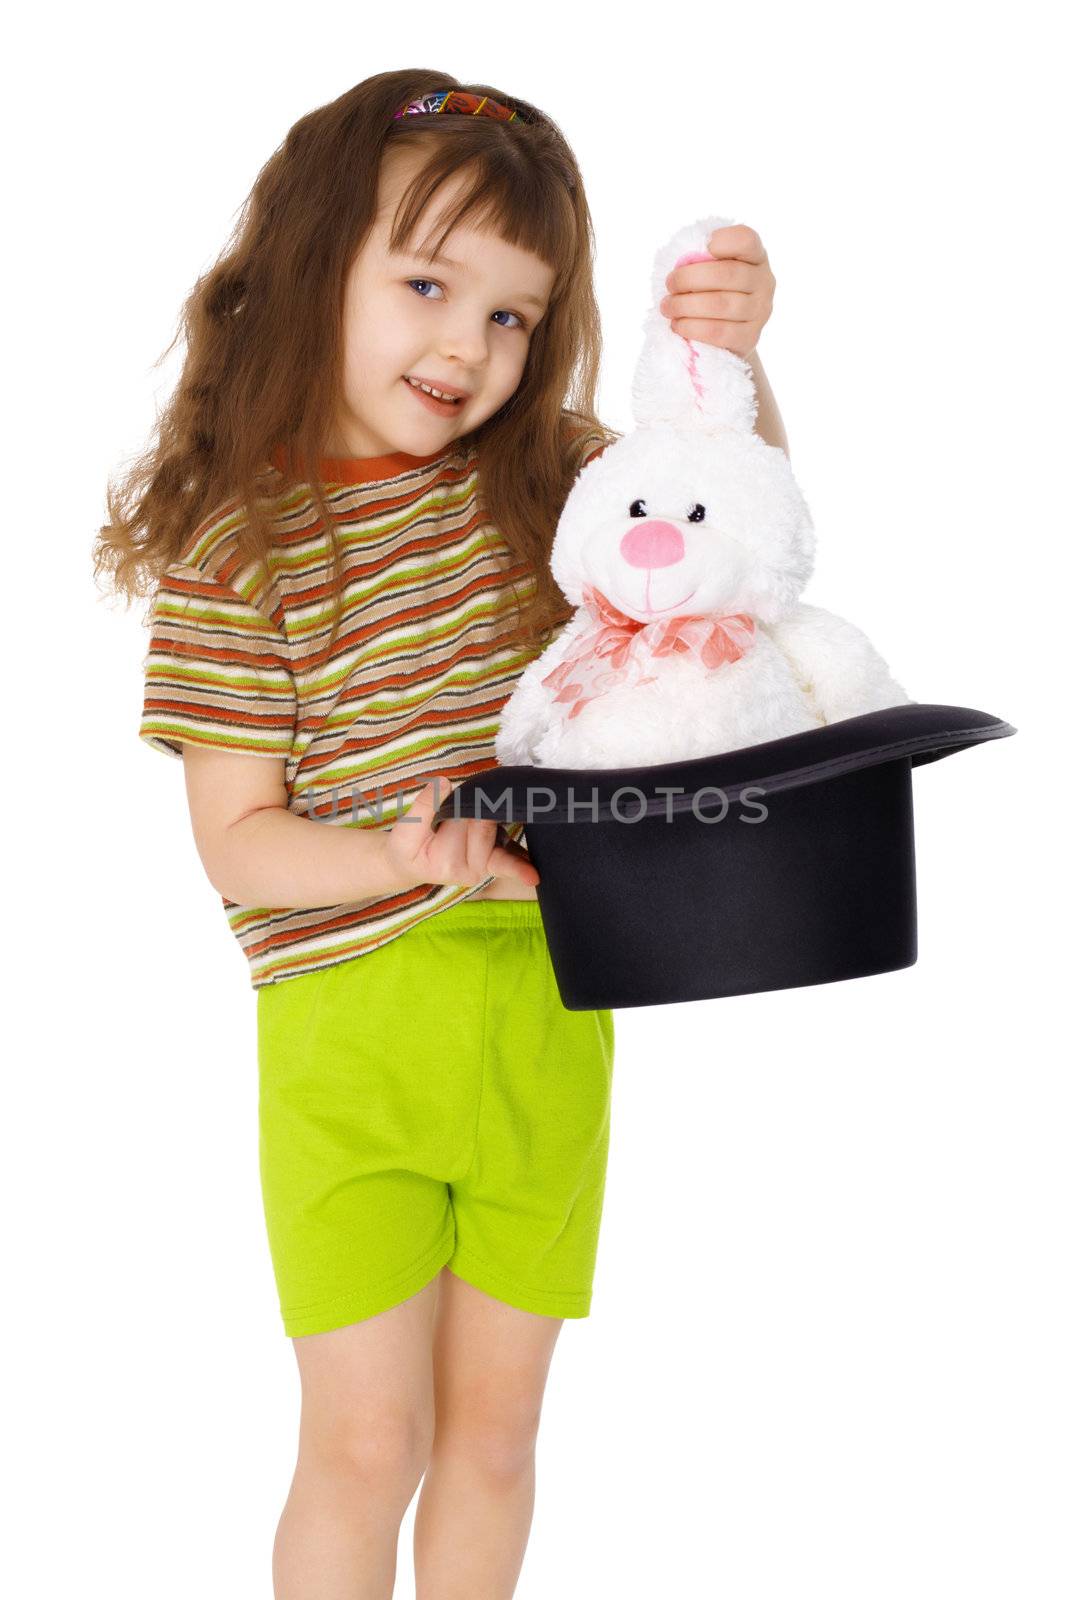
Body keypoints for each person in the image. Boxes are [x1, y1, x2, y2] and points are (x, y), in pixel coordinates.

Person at [94, 69, 785, 1600]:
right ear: (311, 262)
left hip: (548, 1005)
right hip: (351, 1034)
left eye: (513, 316)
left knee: (494, 1439)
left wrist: (729, 362)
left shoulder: (546, 486)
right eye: (426, 284)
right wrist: (403, 857)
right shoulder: (237, 550)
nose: (466, 347)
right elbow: (240, 844)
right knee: (361, 1443)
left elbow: (728, 530)